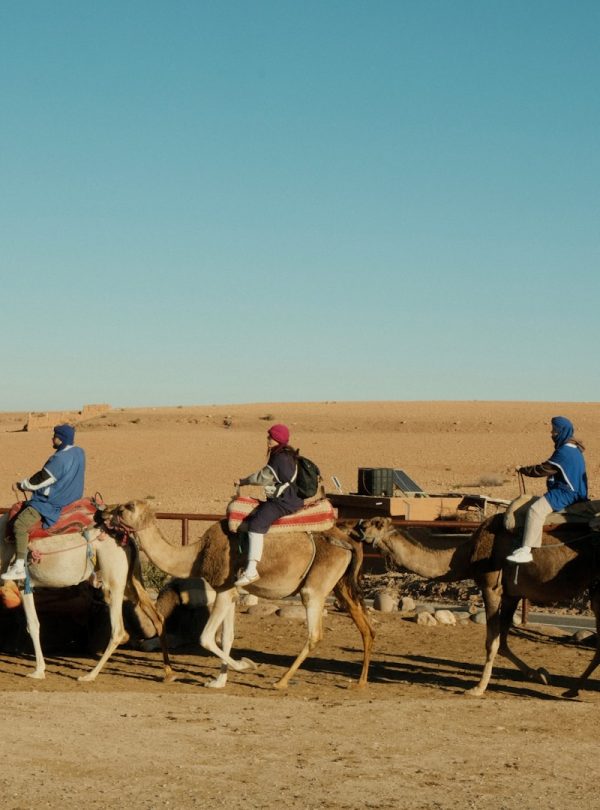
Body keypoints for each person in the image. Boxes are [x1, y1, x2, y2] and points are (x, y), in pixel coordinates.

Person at [2, 423, 86, 581]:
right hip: (73, 498)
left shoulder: (58, 459)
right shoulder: (79, 452)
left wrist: (22, 485)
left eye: (55, 436)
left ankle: (19, 566)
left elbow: (40, 479)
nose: (52, 438)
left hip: (53, 501)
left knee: (19, 525)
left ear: (60, 439)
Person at [506, 416, 588, 565]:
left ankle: (526, 550)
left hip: (566, 493)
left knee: (535, 510)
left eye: (554, 431)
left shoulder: (564, 452)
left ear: (562, 431)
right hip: (575, 491)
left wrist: (523, 470)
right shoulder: (574, 449)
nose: (552, 434)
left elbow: (543, 469)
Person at [233, 423, 304, 587]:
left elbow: (262, 477)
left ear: (278, 439)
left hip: (285, 502)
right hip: (292, 499)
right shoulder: (288, 455)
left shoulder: (278, 456)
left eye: (271, 437)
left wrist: (243, 481)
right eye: (268, 437)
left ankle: (251, 570)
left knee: (256, 524)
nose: (268, 440)